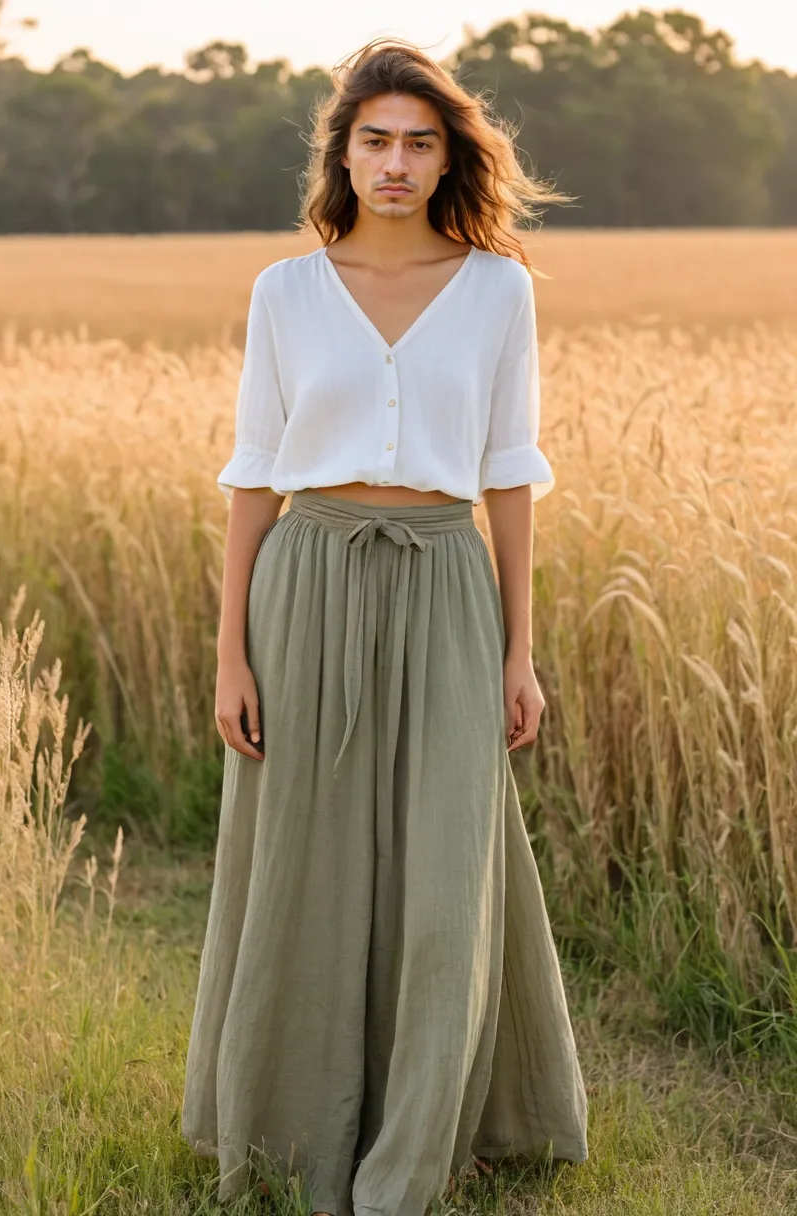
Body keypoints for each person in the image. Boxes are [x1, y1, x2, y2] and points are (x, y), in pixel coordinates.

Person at [181, 37, 588, 1216]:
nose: (397, 163)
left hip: (446, 581)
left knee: (446, 866)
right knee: (302, 852)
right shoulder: (284, 291)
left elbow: (508, 471)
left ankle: (419, 1144)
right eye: (375, 140)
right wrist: (229, 652)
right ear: (342, 152)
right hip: (303, 582)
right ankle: (285, 1130)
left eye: (419, 141)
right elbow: (254, 472)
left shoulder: (499, 287)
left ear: (447, 153)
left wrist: (519, 647)